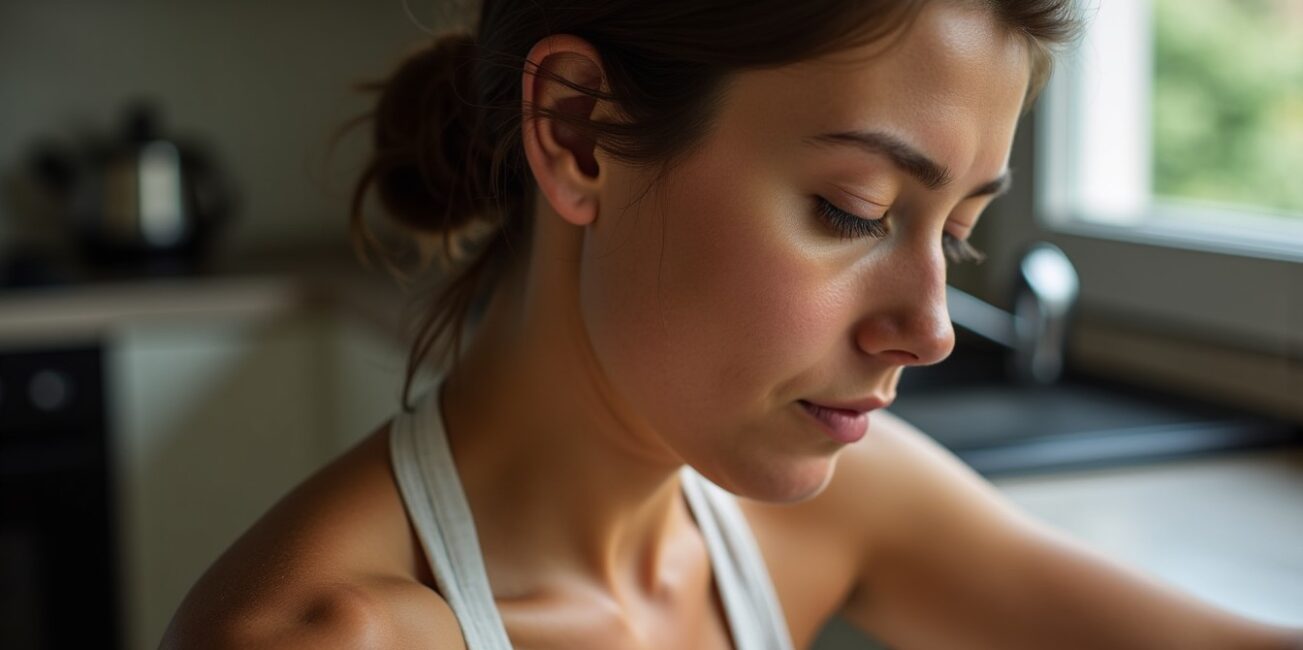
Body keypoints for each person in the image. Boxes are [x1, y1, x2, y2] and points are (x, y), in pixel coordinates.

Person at [162, 1, 1303, 648]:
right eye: (850, 210)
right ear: (578, 132)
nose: (931, 325)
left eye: (954, 230)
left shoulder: (825, 510)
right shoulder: (326, 636)